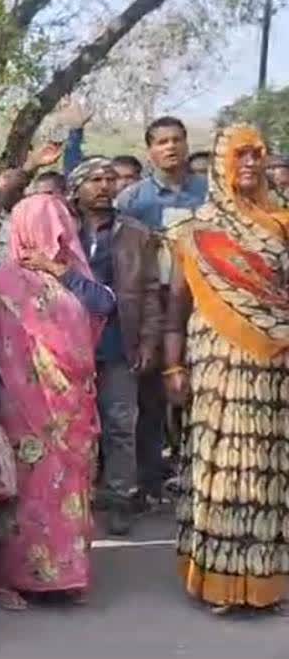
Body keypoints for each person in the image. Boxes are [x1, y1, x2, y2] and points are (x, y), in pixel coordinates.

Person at [164, 124, 289, 615]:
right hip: (216, 366)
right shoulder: (194, 231)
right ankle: (217, 583)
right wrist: (173, 366)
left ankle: (264, 582)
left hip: (272, 366)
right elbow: (176, 302)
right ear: (220, 165)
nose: (251, 164)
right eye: (240, 155)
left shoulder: (282, 224)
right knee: (220, 469)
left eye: (258, 155)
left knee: (267, 472)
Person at [0, 193, 114, 610]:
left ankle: (66, 574)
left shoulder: (74, 277)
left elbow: (105, 304)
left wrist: (61, 272)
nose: (55, 240)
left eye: (61, 231)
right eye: (48, 231)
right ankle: (13, 580)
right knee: (22, 494)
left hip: (71, 410)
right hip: (21, 409)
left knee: (68, 490)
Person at [116, 115, 209, 503]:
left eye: (177, 139)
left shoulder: (209, 193)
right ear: (150, 150)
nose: (171, 147)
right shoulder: (134, 200)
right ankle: (149, 485)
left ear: (187, 144)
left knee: (204, 394)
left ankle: (202, 479)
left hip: (204, 306)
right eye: (162, 141)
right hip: (155, 307)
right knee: (151, 399)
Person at [68, 158, 162, 536]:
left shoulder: (135, 233)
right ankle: (75, 500)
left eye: (110, 179)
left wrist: (149, 340)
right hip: (70, 345)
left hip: (118, 343)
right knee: (71, 426)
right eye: (95, 179)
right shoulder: (63, 230)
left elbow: (152, 292)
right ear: (77, 188)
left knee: (121, 424)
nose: (105, 186)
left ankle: (121, 497)